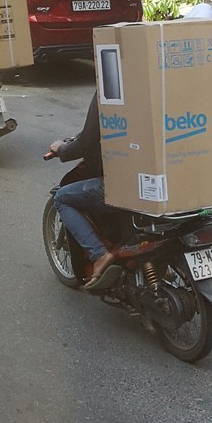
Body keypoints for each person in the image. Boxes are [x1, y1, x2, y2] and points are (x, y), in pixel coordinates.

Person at [48, 94, 122, 292]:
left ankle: (99, 254)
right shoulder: (158, 86)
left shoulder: (108, 92)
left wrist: (62, 149)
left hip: (125, 184)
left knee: (62, 197)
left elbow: (87, 143)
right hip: (169, 186)